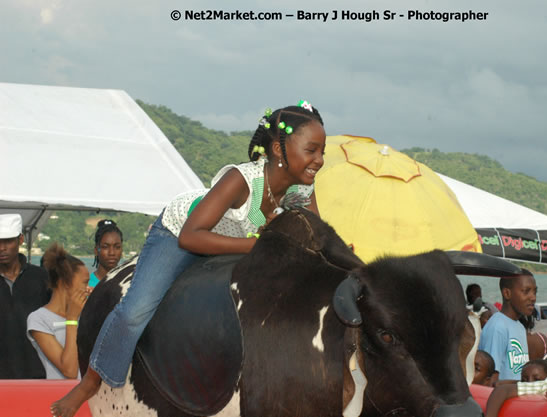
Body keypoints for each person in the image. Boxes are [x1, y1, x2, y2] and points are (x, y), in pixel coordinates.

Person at [51, 100, 326, 417]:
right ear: (279, 149)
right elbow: (191, 236)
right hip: (180, 232)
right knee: (136, 308)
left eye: (322, 152)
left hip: (236, 243)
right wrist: (256, 245)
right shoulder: (242, 180)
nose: (319, 160)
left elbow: (312, 236)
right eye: (312, 150)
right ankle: (90, 381)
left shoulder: (303, 187)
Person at [27, 243, 91, 379]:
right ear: (66, 282)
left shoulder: (86, 314)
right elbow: (70, 371)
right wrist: (72, 320)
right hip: (60, 396)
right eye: (85, 283)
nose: (88, 288)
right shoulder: (38, 319)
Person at [0, 213, 50, 379]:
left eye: (8, 241)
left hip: (36, 373)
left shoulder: (42, 278)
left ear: (20, 240)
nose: (2, 247)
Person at [478, 269, 537, 381]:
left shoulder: (519, 326)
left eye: (534, 292)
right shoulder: (497, 327)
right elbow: (491, 378)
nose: (533, 297)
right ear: (507, 293)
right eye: (526, 291)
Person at [88, 219, 123, 288]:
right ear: (96, 250)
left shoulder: (129, 285)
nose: (112, 253)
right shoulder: (85, 285)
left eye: (117, 247)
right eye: (105, 247)